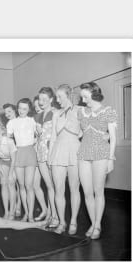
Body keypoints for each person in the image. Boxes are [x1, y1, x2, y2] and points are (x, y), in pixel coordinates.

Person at [77, 82, 117, 239]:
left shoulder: (108, 111)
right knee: (87, 192)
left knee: (98, 191)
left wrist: (110, 159)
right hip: (84, 153)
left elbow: (113, 138)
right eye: (82, 97)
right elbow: (80, 133)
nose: (83, 100)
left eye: (85, 97)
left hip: (101, 153)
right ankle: (93, 223)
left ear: (94, 94)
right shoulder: (82, 112)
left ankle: (98, 225)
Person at [48, 84, 82, 235]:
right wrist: (50, 157)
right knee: (58, 189)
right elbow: (53, 137)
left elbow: (84, 132)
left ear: (68, 95)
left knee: (74, 188)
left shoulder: (79, 110)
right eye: (56, 97)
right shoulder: (56, 113)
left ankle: (73, 221)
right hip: (58, 151)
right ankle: (62, 221)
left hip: (74, 150)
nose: (57, 100)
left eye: (59, 97)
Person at [7, 98, 37, 222]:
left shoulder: (32, 121)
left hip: (30, 152)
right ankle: (25, 213)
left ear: (29, 109)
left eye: (24, 108)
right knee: (21, 185)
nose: (21, 111)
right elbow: (9, 140)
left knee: (29, 185)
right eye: (19, 108)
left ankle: (30, 215)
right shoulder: (12, 123)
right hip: (18, 152)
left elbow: (38, 136)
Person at [34, 87, 59, 227]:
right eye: (40, 99)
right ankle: (51, 214)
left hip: (52, 153)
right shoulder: (37, 116)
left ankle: (56, 217)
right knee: (49, 186)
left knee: (55, 186)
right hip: (41, 154)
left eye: (45, 99)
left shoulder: (56, 113)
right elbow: (38, 137)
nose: (41, 102)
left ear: (51, 99)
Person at [32, 96, 54, 223]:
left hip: (48, 153)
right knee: (35, 184)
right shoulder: (35, 119)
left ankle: (51, 213)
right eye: (35, 107)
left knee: (50, 185)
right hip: (36, 154)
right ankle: (45, 210)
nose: (38, 109)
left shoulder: (53, 114)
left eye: (39, 106)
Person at [2, 103, 22, 217]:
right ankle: (12, 209)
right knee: (11, 182)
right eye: (5, 113)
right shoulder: (8, 124)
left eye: (9, 111)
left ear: (15, 110)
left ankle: (18, 206)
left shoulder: (20, 121)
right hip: (11, 155)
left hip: (20, 154)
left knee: (20, 183)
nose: (7, 114)